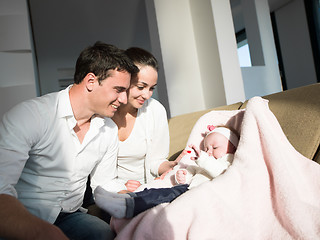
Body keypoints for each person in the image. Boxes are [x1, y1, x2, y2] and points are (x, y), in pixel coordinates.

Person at [0, 42, 139, 240]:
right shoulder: (30, 115)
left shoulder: (108, 130)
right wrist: (42, 232)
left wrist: (135, 198)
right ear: (91, 81)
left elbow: (104, 182)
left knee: (104, 234)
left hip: (69, 216)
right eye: (118, 89)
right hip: (22, 214)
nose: (124, 99)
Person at [94, 125, 239, 219]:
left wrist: (204, 160)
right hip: (188, 189)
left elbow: (222, 174)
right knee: (157, 193)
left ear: (232, 146)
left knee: (161, 196)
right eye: (206, 148)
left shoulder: (229, 161)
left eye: (214, 147)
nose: (208, 152)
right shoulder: (204, 160)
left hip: (204, 193)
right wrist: (183, 176)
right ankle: (126, 198)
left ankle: (127, 206)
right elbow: (193, 171)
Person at [111, 47, 178, 193]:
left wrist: (171, 166)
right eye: (141, 87)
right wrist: (119, 188)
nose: (147, 95)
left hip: (148, 188)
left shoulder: (155, 110)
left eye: (151, 88)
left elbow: (156, 161)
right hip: (111, 190)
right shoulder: (104, 112)